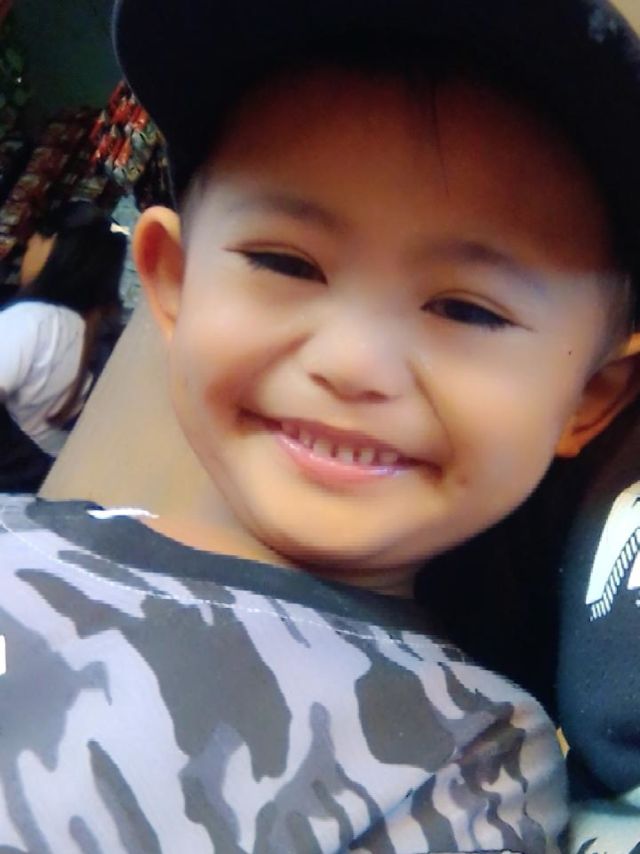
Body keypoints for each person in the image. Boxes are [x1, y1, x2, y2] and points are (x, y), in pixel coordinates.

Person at [0, 0, 639, 850]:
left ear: (591, 397)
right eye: (286, 262)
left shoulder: (468, 759)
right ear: (175, 285)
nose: (352, 362)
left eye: (467, 309)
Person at [0, 201, 127, 491]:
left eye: (32, 244)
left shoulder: (34, 322)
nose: (26, 253)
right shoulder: (93, 334)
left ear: (52, 244)